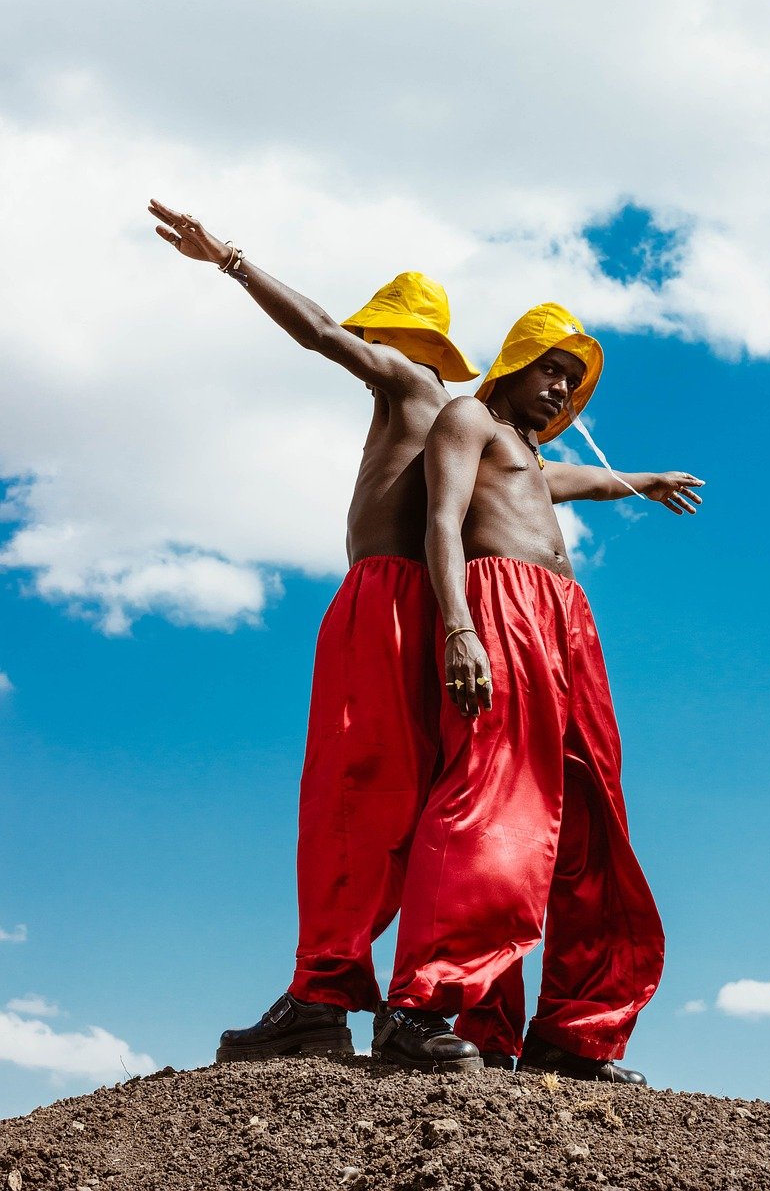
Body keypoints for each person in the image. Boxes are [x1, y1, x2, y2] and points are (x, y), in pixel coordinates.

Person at [147, 199, 484, 1063]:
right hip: (421, 603)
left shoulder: (410, 383)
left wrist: (230, 260)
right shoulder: (438, 412)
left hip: (384, 599)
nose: (373, 349)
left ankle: (324, 998)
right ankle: (376, 1000)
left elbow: (322, 332)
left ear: (407, 343)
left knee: (350, 790)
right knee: (402, 796)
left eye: (386, 335)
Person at [372, 302, 704, 1082]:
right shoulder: (466, 420)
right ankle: (421, 1007)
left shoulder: (522, 452)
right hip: (499, 607)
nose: (559, 387)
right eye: (549, 369)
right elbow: (443, 524)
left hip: (567, 623)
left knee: (592, 821)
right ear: (514, 365)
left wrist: (639, 480)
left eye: (572, 378)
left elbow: (572, 480)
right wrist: (458, 627)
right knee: (495, 801)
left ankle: (571, 1033)